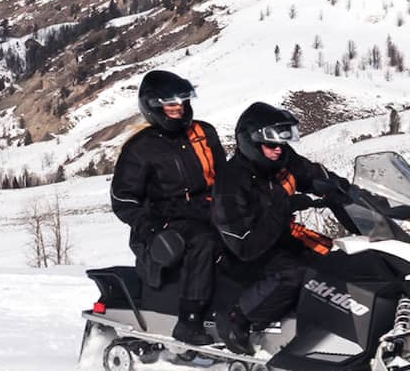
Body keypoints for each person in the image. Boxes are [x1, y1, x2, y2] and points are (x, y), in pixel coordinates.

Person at [212, 101, 344, 355]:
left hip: (278, 240)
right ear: (251, 143)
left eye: (282, 144)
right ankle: (237, 316)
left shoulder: (281, 160)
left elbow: (313, 174)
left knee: (336, 260)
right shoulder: (231, 181)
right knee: (295, 272)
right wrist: (285, 206)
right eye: (271, 145)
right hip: (241, 254)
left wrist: (344, 190)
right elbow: (245, 246)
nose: (278, 150)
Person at [110, 69, 225, 346]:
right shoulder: (140, 148)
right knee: (204, 241)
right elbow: (123, 200)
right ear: (153, 106)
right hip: (165, 222)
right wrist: (151, 226)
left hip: (209, 211)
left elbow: (226, 177)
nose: (178, 109)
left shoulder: (203, 133)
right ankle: (189, 320)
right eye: (171, 104)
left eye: (182, 102)